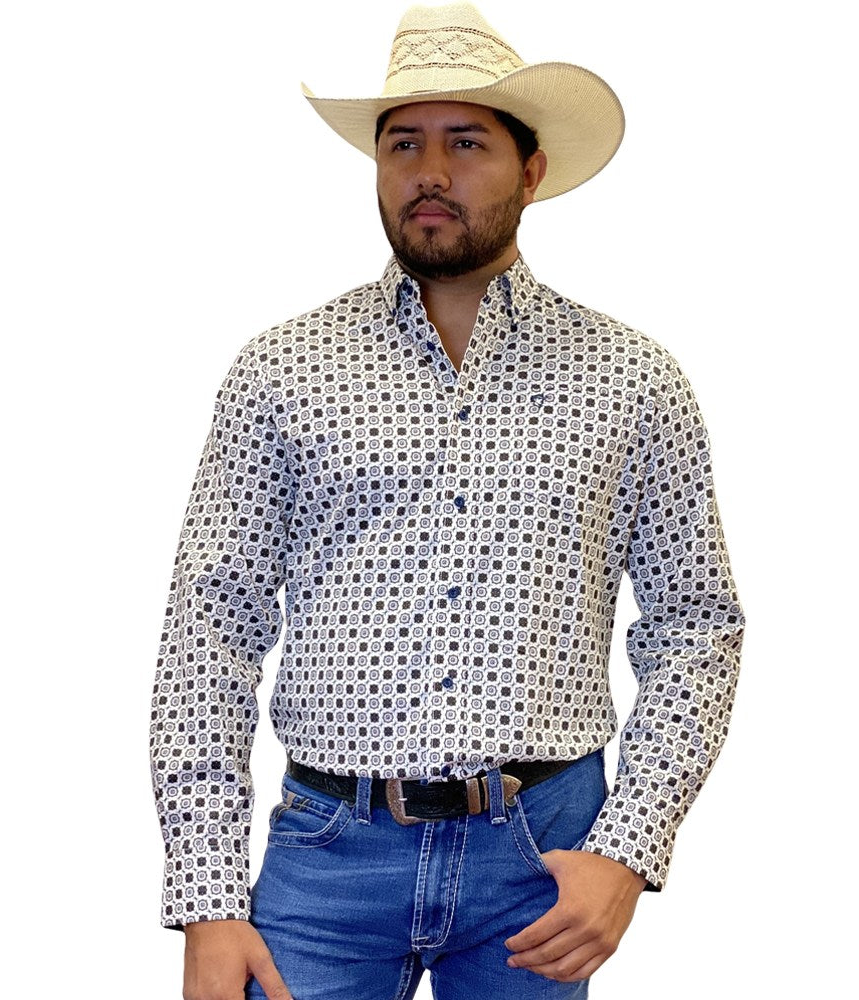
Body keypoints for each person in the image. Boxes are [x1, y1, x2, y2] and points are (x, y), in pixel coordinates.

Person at [149, 4, 745, 998]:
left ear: (531, 170)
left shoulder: (633, 380)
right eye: (403, 144)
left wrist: (629, 847)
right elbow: (212, 624)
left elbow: (695, 621)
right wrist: (207, 898)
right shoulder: (282, 371)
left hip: (543, 858)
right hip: (326, 858)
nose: (429, 170)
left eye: (465, 142)